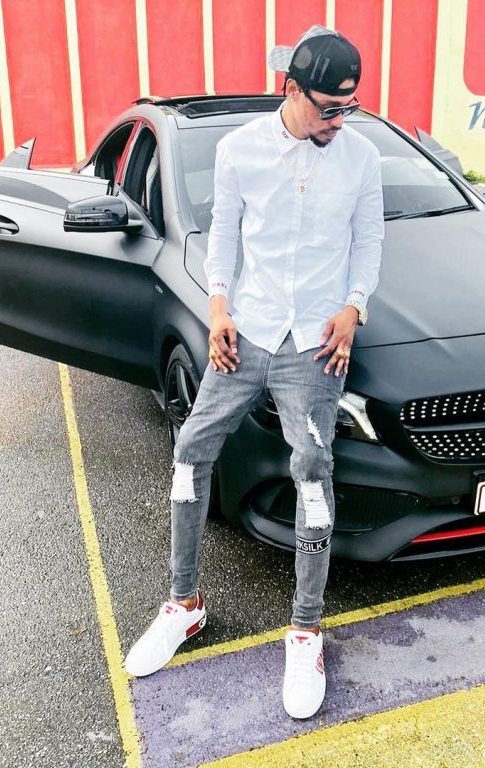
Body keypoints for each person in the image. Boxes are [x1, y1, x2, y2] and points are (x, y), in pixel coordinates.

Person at [123, 25, 384, 720]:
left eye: (350, 106)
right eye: (328, 107)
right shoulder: (238, 150)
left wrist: (354, 309)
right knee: (190, 451)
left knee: (313, 471)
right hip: (248, 332)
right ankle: (184, 604)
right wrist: (217, 308)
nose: (339, 120)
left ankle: (305, 630)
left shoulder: (361, 158)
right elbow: (224, 237)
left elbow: (369, 241)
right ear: (290, 89)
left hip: (315, 345)